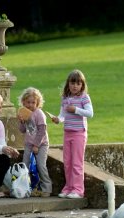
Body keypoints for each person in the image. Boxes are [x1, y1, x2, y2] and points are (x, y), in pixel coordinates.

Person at [52, 69, 93, 199]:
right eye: (72, 83)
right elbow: (63, 115)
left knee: (77, 163)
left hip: (79, 133)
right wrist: (58, 119)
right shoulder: (65, 98)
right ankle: (68, 187)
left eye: (78, 83)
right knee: (67, 162)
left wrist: (76, 109)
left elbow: (90, 113)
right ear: (68, 84)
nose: (75, 86)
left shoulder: (84, 98)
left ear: (82, 85)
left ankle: (78, 189)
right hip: (67, 133)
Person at [18, 87, 52, 197]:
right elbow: (22, 130)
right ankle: (27, 187)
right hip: (28, 143)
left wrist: (36, 145)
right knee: (25, 165)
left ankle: (46, 188)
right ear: (23, 102)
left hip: (41, 144)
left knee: (41, 165)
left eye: (33, 102)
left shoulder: (39, 114)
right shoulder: (25, 113)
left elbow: (42, 131)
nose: (30, 105)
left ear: (37, 103)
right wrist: (22, 122)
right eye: (28, 102)